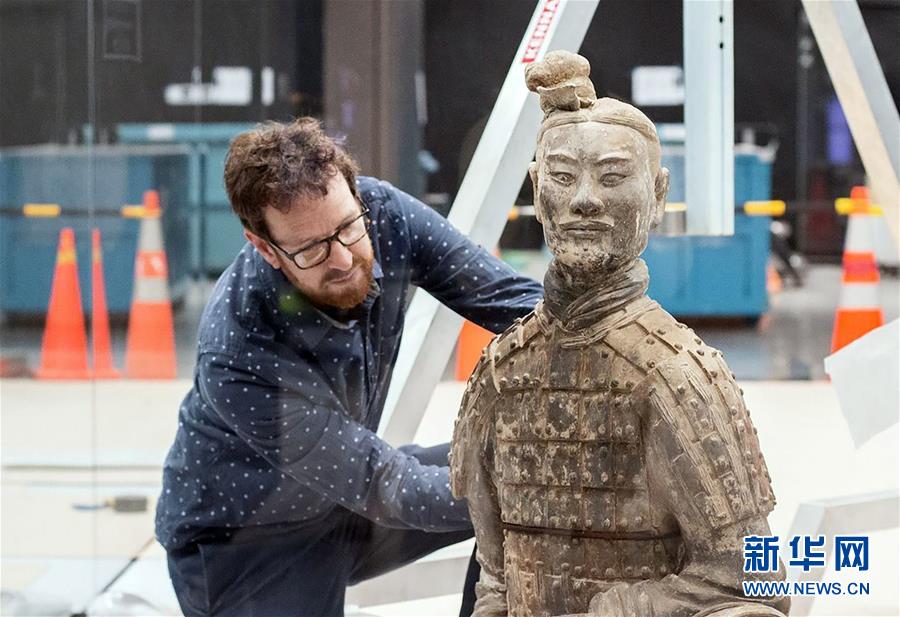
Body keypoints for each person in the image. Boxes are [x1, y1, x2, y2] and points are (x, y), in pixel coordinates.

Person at [154, 117, 544, 617]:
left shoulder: (381, 213)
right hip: (245, 543)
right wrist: (537, 482)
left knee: (521, 463)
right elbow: (389, 486)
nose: (341, 258)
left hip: (338, 505)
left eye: (346, 227)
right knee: (515, 481)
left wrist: (640, 343)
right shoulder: (237, 349)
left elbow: (512, 300)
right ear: (265, 248)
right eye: (311, 248)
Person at [451, 51, 789, 617]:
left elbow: (756, 582)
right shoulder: (502, 370)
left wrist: (633, 605)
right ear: (537, 192)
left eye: (612, 177)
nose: (584, 198)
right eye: (563, 176)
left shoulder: (680, 376)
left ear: (657, 195)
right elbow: (497, 577)